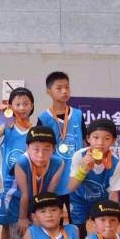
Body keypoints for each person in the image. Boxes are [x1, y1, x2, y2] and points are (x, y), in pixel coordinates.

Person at [0, 87, 35, 239]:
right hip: (6, 183)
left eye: (25, 104)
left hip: (26, 184)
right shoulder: (8, 126)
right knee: (5, 225)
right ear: (11, 106)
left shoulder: (34, 131)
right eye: (17, 104)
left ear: (32, 106)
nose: (22, 107)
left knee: (23, 224)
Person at [67, 118, 120, 239]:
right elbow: (70, 187)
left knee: (104, 231)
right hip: (78, 200)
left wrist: (113, 216)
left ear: (113, 140)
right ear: (88, 138)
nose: (100, 143)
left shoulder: (116, 164)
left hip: (101, 201)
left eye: (106, 138)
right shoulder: (79, 156)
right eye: (96, 137)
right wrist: (83, 169)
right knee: (78, 232)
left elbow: (113, 194)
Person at [37, 71, 86, 213]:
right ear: (48, 92)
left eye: (67, 87)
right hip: (54, 178)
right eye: (59, 88)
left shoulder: (78, 115)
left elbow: (85, 142)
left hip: (76, 178)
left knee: (77, 221)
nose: (64, 91)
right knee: (53, 220)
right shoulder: (44, 118)